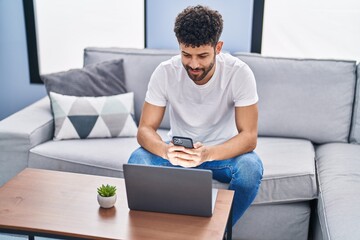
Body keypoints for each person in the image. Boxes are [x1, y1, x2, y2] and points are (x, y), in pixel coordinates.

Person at [128, 5, 263, 227]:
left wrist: (208, 154)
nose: (193, 64)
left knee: (250, 168)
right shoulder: (165, 72)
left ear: (218, 48)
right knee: (137, 160)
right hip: (177, 153)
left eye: (202, 56)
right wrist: (165, 150)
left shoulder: (239, 73)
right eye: (186, 55)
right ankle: (153, 231)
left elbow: (249, 137)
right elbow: (145, 130)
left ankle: (215, 232)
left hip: (221, 155)